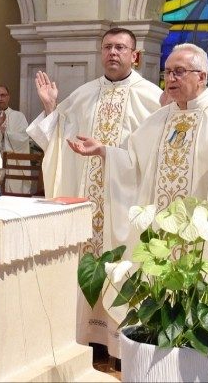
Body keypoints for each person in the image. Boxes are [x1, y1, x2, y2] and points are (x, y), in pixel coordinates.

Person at [67, 43, 208, 369]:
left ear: (201, 76)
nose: (170, 78)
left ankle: (201, 364)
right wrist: (103, 150)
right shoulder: (159, 119)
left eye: (179, 72)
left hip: (203, 239)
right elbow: (132, 162)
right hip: (161, 241)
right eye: (167, 72)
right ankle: (158, 365)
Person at [26, 27, 162, 357]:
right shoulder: (84, 95)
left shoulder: (152, 98)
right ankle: (87, 337)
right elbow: (56, 141)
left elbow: (156, 160)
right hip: (87, 203)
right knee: (84, 263)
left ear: (135, 55)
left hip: (124, 205)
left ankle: (123, 344)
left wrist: (108, 153)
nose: (113, 53)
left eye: (120, 47)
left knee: (124, 265)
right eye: (107, 47)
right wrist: (50, 110)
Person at [0, 85, 31, 193]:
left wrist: (6, 133)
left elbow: (24, 138)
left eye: (3, 95)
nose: (0, 98)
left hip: (14, 163)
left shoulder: (19, 116)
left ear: (8, 97)